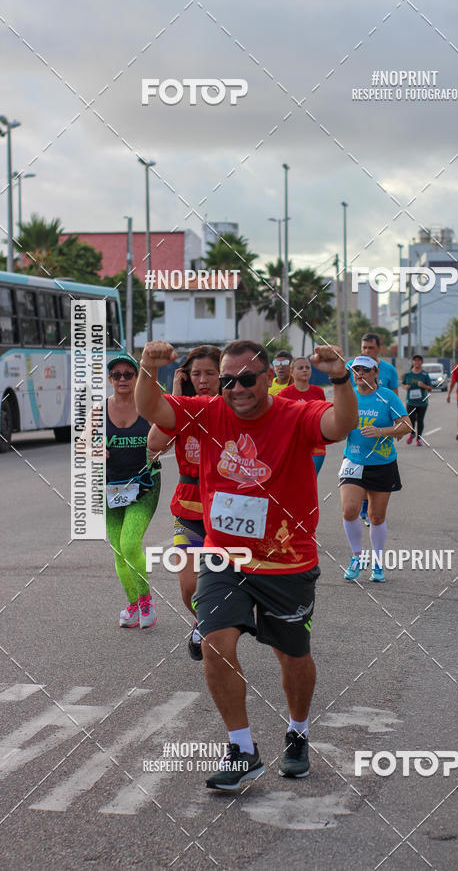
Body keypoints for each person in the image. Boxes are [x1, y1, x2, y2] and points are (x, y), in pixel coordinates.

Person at [135, 338, 357, 790]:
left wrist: (339, 378)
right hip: (224, 557)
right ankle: (242, 749)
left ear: (266, 380)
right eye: (229, 379)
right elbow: (153, 410)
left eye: (247, 379)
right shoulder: (209, 411)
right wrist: (146, 367)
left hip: (286, 563)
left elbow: (340, 424)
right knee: (215, 641)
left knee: (293, 659)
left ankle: (297, 732)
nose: (236, 388)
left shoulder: (295, 415)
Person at [146, 345, 221, 659]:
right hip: (188, 511)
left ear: (224, 375)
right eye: (195, 374)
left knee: (221, 584)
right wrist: (175, 394)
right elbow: (153, 443)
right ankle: (200, 621)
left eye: (209, 373)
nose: (202, 379)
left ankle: (220, 627)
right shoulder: (183, 410)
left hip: (226, 514)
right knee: (189, 587)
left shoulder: (234, 409)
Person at [340, 356, 411, 583]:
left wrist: (382, 432)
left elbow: (406, 425)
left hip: (382, 463)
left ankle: (378, 563)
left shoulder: (387, 396)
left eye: (365, 369)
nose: (359, 373)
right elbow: (336, 420)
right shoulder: (348, 395)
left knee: (376, 516)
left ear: (375, 372)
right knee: (349, 510)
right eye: (355, 369)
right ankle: (357, 557)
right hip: (353, 462)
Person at [105, 354, 161, 630]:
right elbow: (80, 444)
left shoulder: (147, 407)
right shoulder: (98, 410)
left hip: (144, 485)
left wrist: (160, 446)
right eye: (117, 375)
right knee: (118, 551)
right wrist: (93, 450)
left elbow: (169, 433)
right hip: (109, 487)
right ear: (110, 379)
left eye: (129, 374)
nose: (123, 379)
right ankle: (132, 605)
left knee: (129, 544)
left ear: (137, 378)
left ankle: (146, 600)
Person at [346, 333, 399, 524]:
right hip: (355, 444)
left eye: (371, 348)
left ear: (378, 349)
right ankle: (362, 509)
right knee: (349, 507)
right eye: (364, 348)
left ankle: (369, 511)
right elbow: (344, 393)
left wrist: (394, 428)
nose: (366, 351)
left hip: (381, 438)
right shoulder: (350, 367)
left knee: (376, 512)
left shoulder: (389, 370)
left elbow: (394, 398)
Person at [277, 356, 327, 474]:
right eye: (300, 368)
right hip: (293, 447)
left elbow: (323, 418)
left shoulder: (318, 392)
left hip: (316, 447)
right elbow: (279, 422)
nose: (305, 370)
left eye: (307, 367)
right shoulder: (284, 394)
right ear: (291, 372)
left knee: (310, 480)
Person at [401, 354, 432, 445]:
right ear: (412, 362)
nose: (417, 362)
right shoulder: (408, 374)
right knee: (411, 420)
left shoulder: (425, 375)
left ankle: (419, 438)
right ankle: (412, 433)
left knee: (420, 420)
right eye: (415, 360)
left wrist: (424, 386)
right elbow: (403, 384)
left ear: (421, 362)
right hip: (410, 402)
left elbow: (430, 388)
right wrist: (405, 386)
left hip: (422, 402)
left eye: (419, 360)